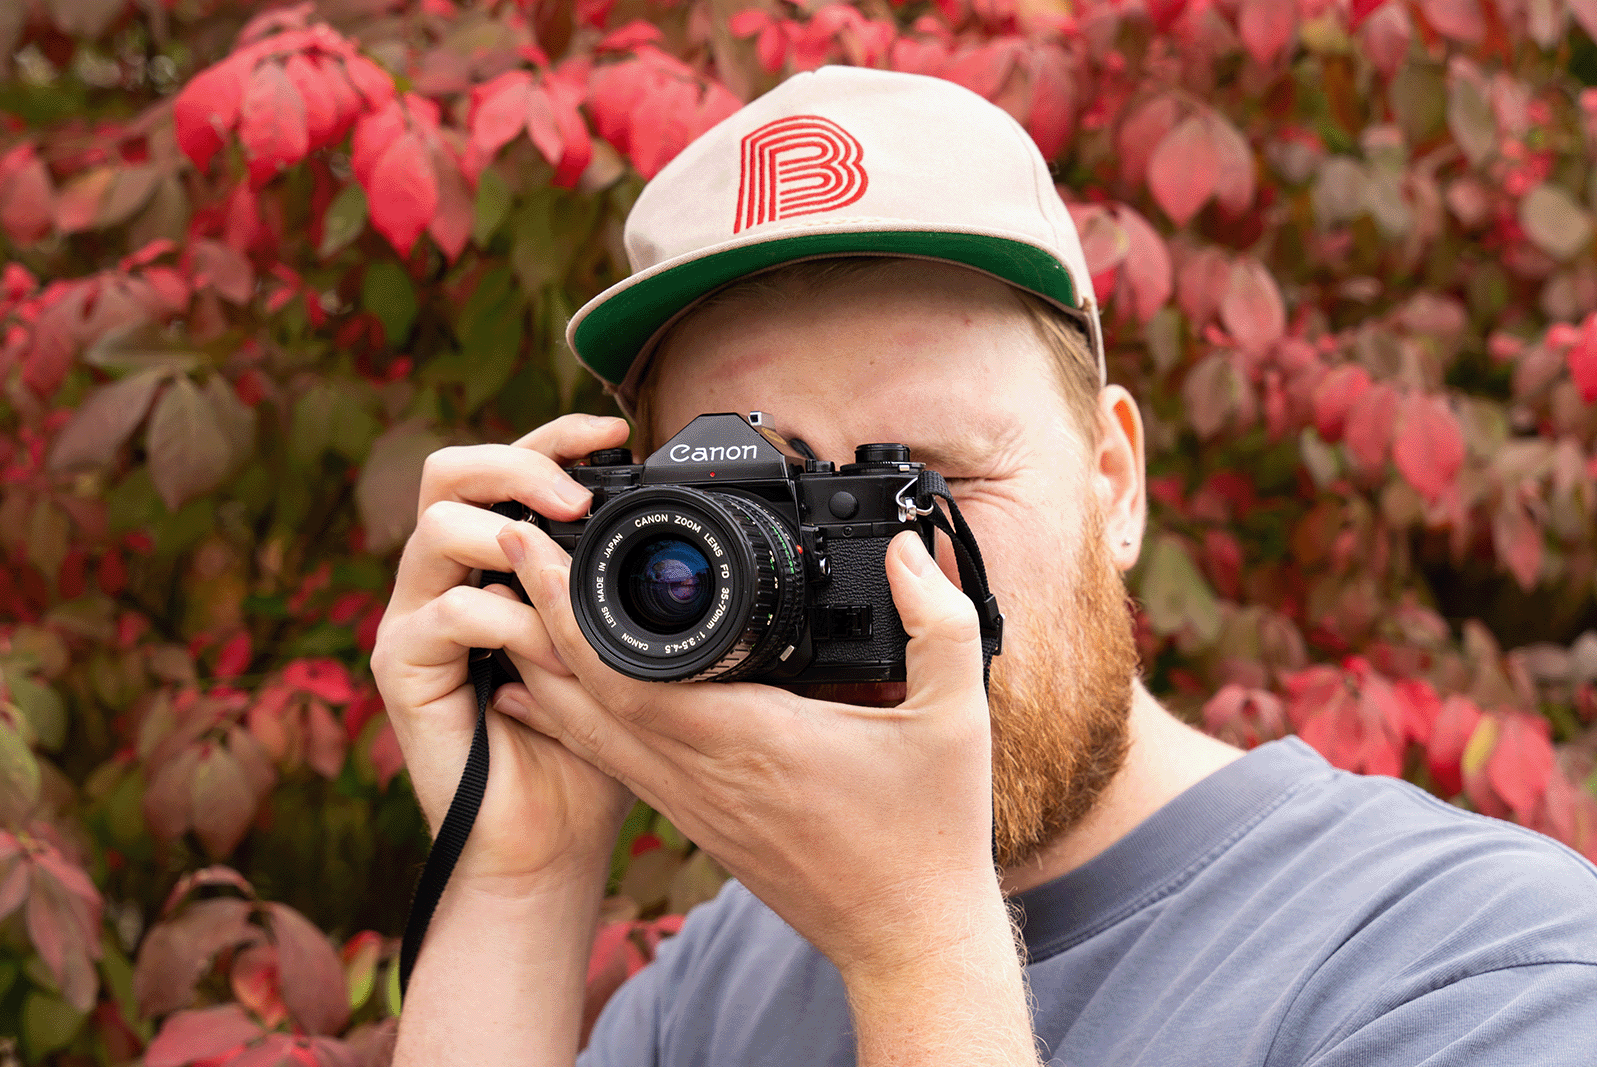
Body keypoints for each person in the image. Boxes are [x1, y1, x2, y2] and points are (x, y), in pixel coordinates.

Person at [370, 68, 1597, 1067]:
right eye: (765, 500)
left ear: (1115, 481)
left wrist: (917, 951)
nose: (870, 567)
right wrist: (520, 877)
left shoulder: (1480, 968)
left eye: (923, 482)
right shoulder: (714, 984)